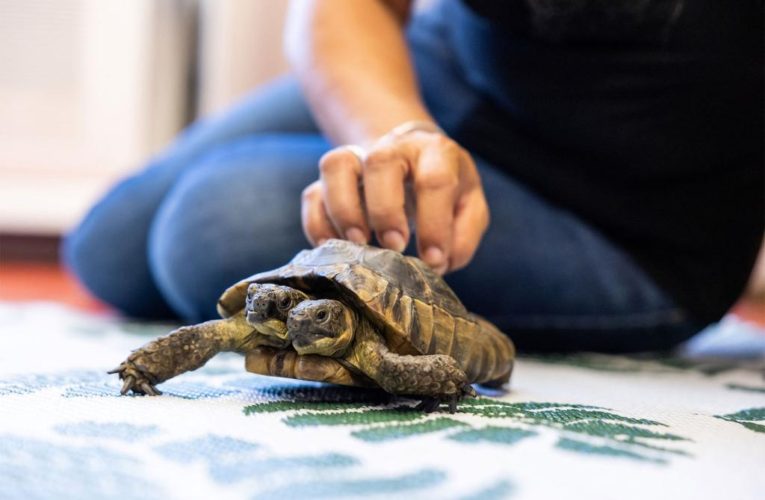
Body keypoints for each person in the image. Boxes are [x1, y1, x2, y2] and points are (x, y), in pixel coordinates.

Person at [63, 0, 764, 352]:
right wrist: (393, 132)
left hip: (624, 217)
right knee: (109, 247)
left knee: (211, 225)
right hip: (449, 73)